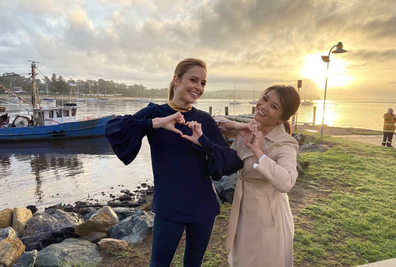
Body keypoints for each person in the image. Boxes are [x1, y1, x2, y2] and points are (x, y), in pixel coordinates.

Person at [105, 58, 243, 267]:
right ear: (176, 80)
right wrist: (155, 123)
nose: (198, 87)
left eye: (203, 83)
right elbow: (114, 129)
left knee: (193, 264)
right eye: (193, 80)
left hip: (203, 206)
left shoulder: (204, 120)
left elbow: (232, 160)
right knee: (159, 264)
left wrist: (204, 141)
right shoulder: (154, 112)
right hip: (169, 206)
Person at [216, 85, 301, 267]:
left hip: (267, 215)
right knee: (242, 259)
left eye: (274, 106)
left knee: (263, 260)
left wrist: (258, 151)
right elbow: (214, 121)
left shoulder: (285, 143)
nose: (264, 106)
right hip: (243, 206)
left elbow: (287, 181)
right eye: (265, 98)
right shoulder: (250, 128)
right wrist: (236, 126)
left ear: (282, 117)